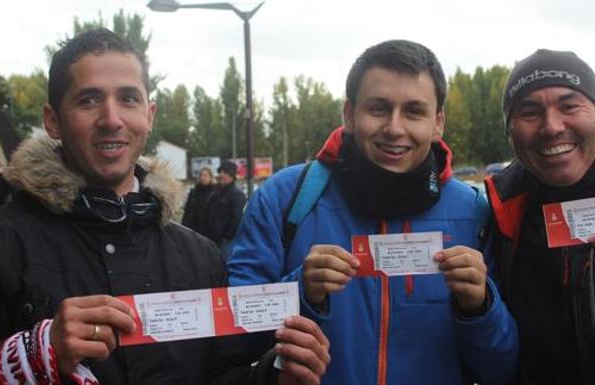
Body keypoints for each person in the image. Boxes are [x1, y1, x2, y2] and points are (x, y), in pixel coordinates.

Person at [0, 28, 329, 385]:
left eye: (128, 99)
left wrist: (275, 376)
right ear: (52, 121)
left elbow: (221, 374)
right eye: (88, 100)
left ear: (150, 114)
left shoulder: (201, 256)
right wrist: (35, 355)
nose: (111, 119)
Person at [228, 40, 518, 385]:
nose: (394, 128)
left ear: (437, 122)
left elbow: (503, 368)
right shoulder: (285, 197)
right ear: (349, 114)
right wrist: (300, 292)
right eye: (378, 108)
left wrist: (481, 308)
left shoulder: (475, 213)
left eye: (414, 111)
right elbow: (236, 336)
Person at [485, 49, 595, 385]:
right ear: (509, 132)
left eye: (569, 105)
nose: (551, 127)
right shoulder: (494, 210)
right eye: (529, 112)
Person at [206, 160, 246, 254]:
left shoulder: (236, 194)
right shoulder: (217, 192)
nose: (220, 175)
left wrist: (225, 236)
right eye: (220, 172)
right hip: (213, 239)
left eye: (224, 172)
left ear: (231, 175)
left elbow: (236, 219)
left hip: (225, 242)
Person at [182, 166, 215, 236]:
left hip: (208, 230)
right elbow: (187, 210)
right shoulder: (194, 192)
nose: (203, 178)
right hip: (193, 228)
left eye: (205, 175)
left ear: (211, 177)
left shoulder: (215, 192)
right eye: (201, 175)